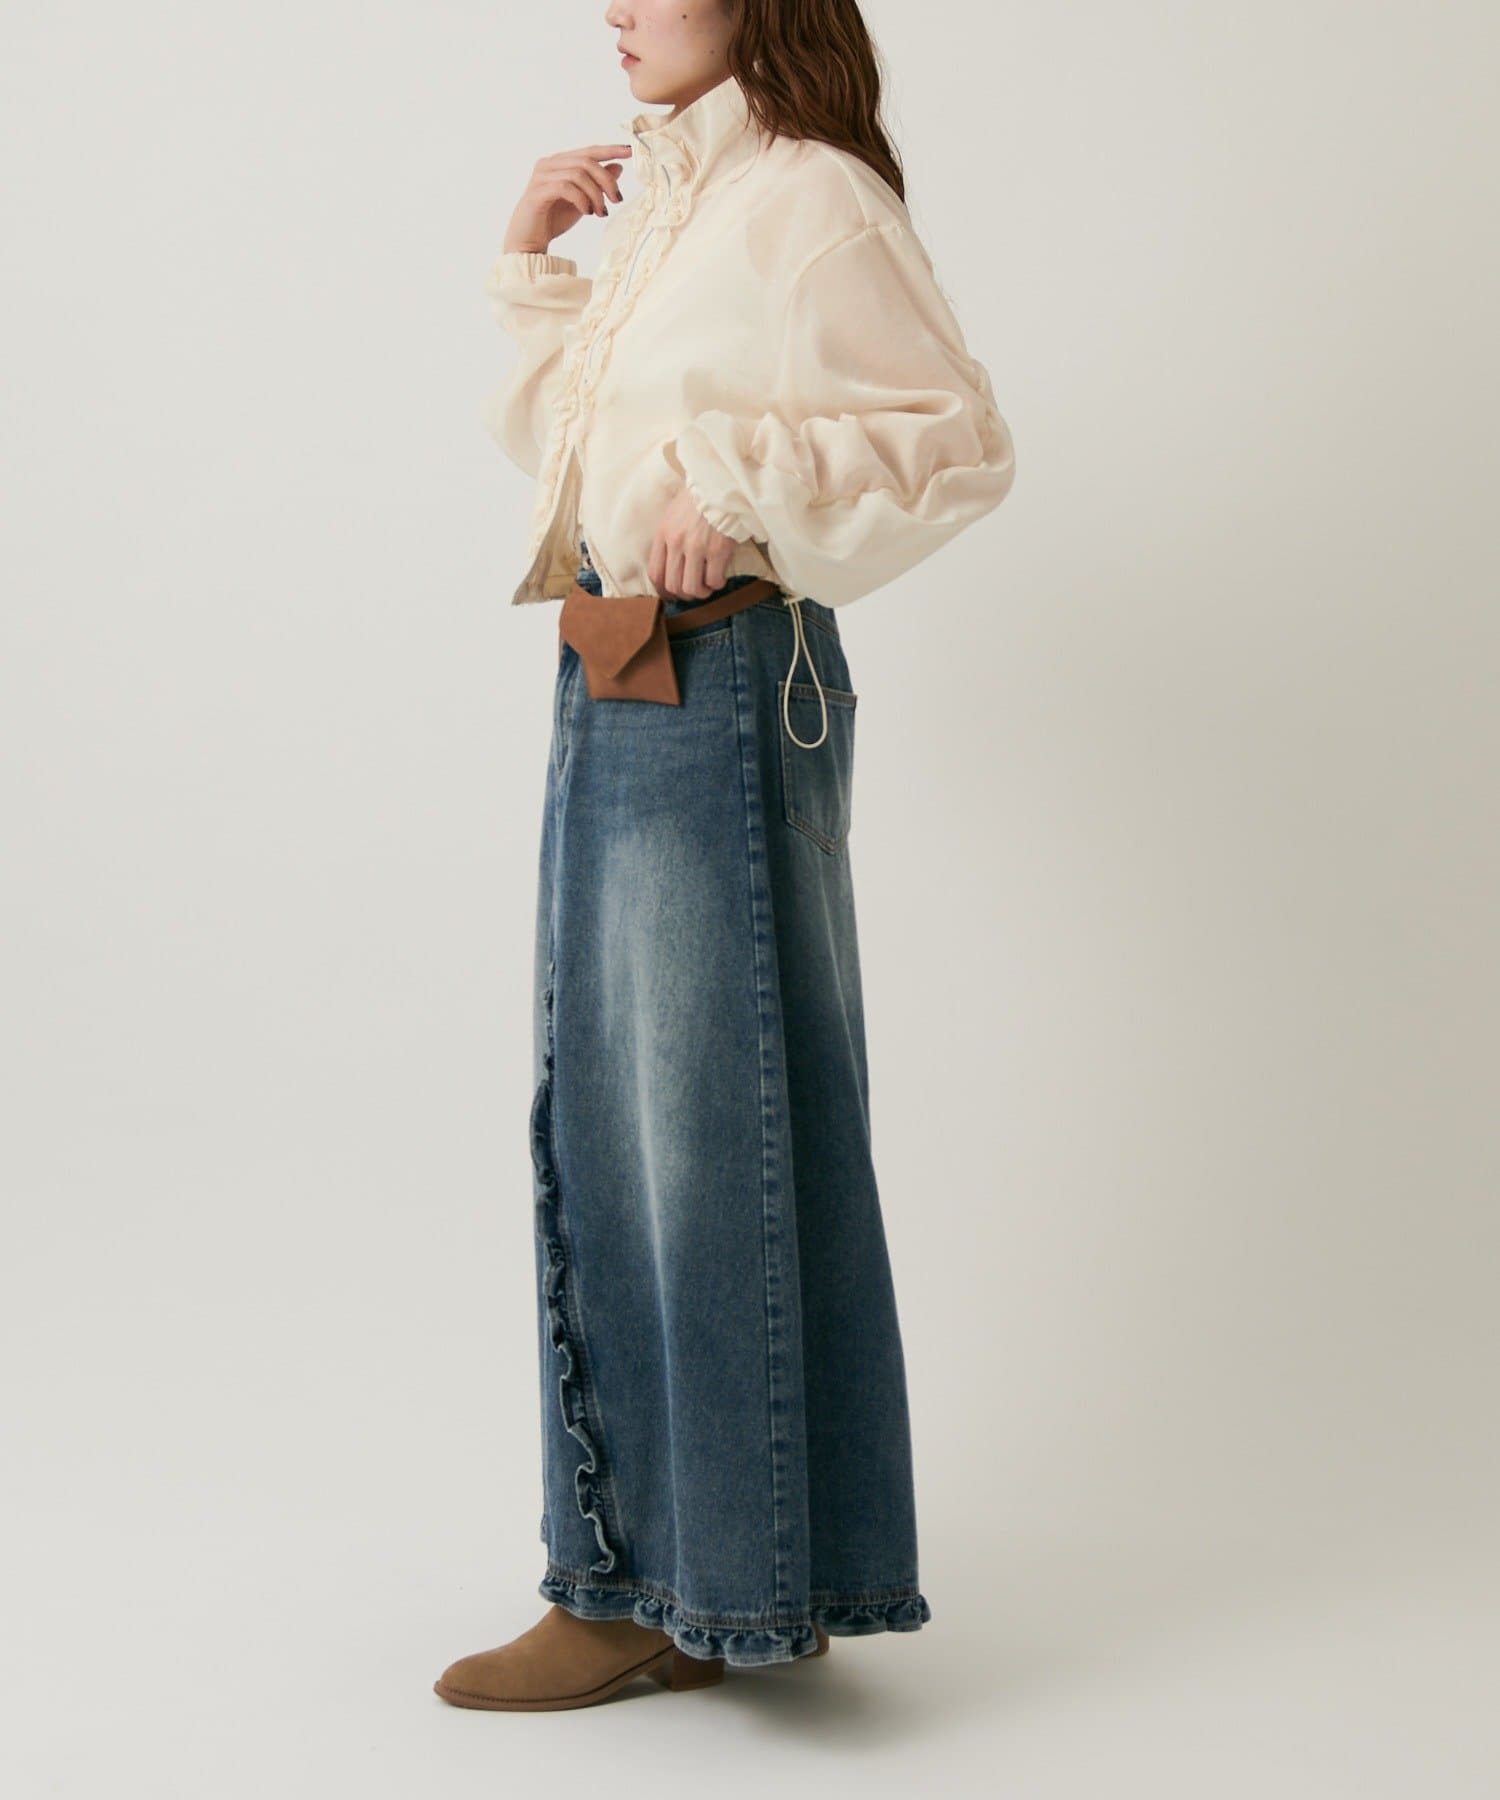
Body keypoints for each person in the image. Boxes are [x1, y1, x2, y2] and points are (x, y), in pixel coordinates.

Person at [435, 0, 1015, 1712]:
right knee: (642, 1132)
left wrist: (748, 485)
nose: (615, 8)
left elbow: (957, 436)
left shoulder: (812, 195)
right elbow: (585, 464)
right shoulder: (689, 199)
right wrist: (533, 268)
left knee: (691, 1139)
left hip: (727, 674)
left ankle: (647, 1592)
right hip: (623, 668)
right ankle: (744, 1586)